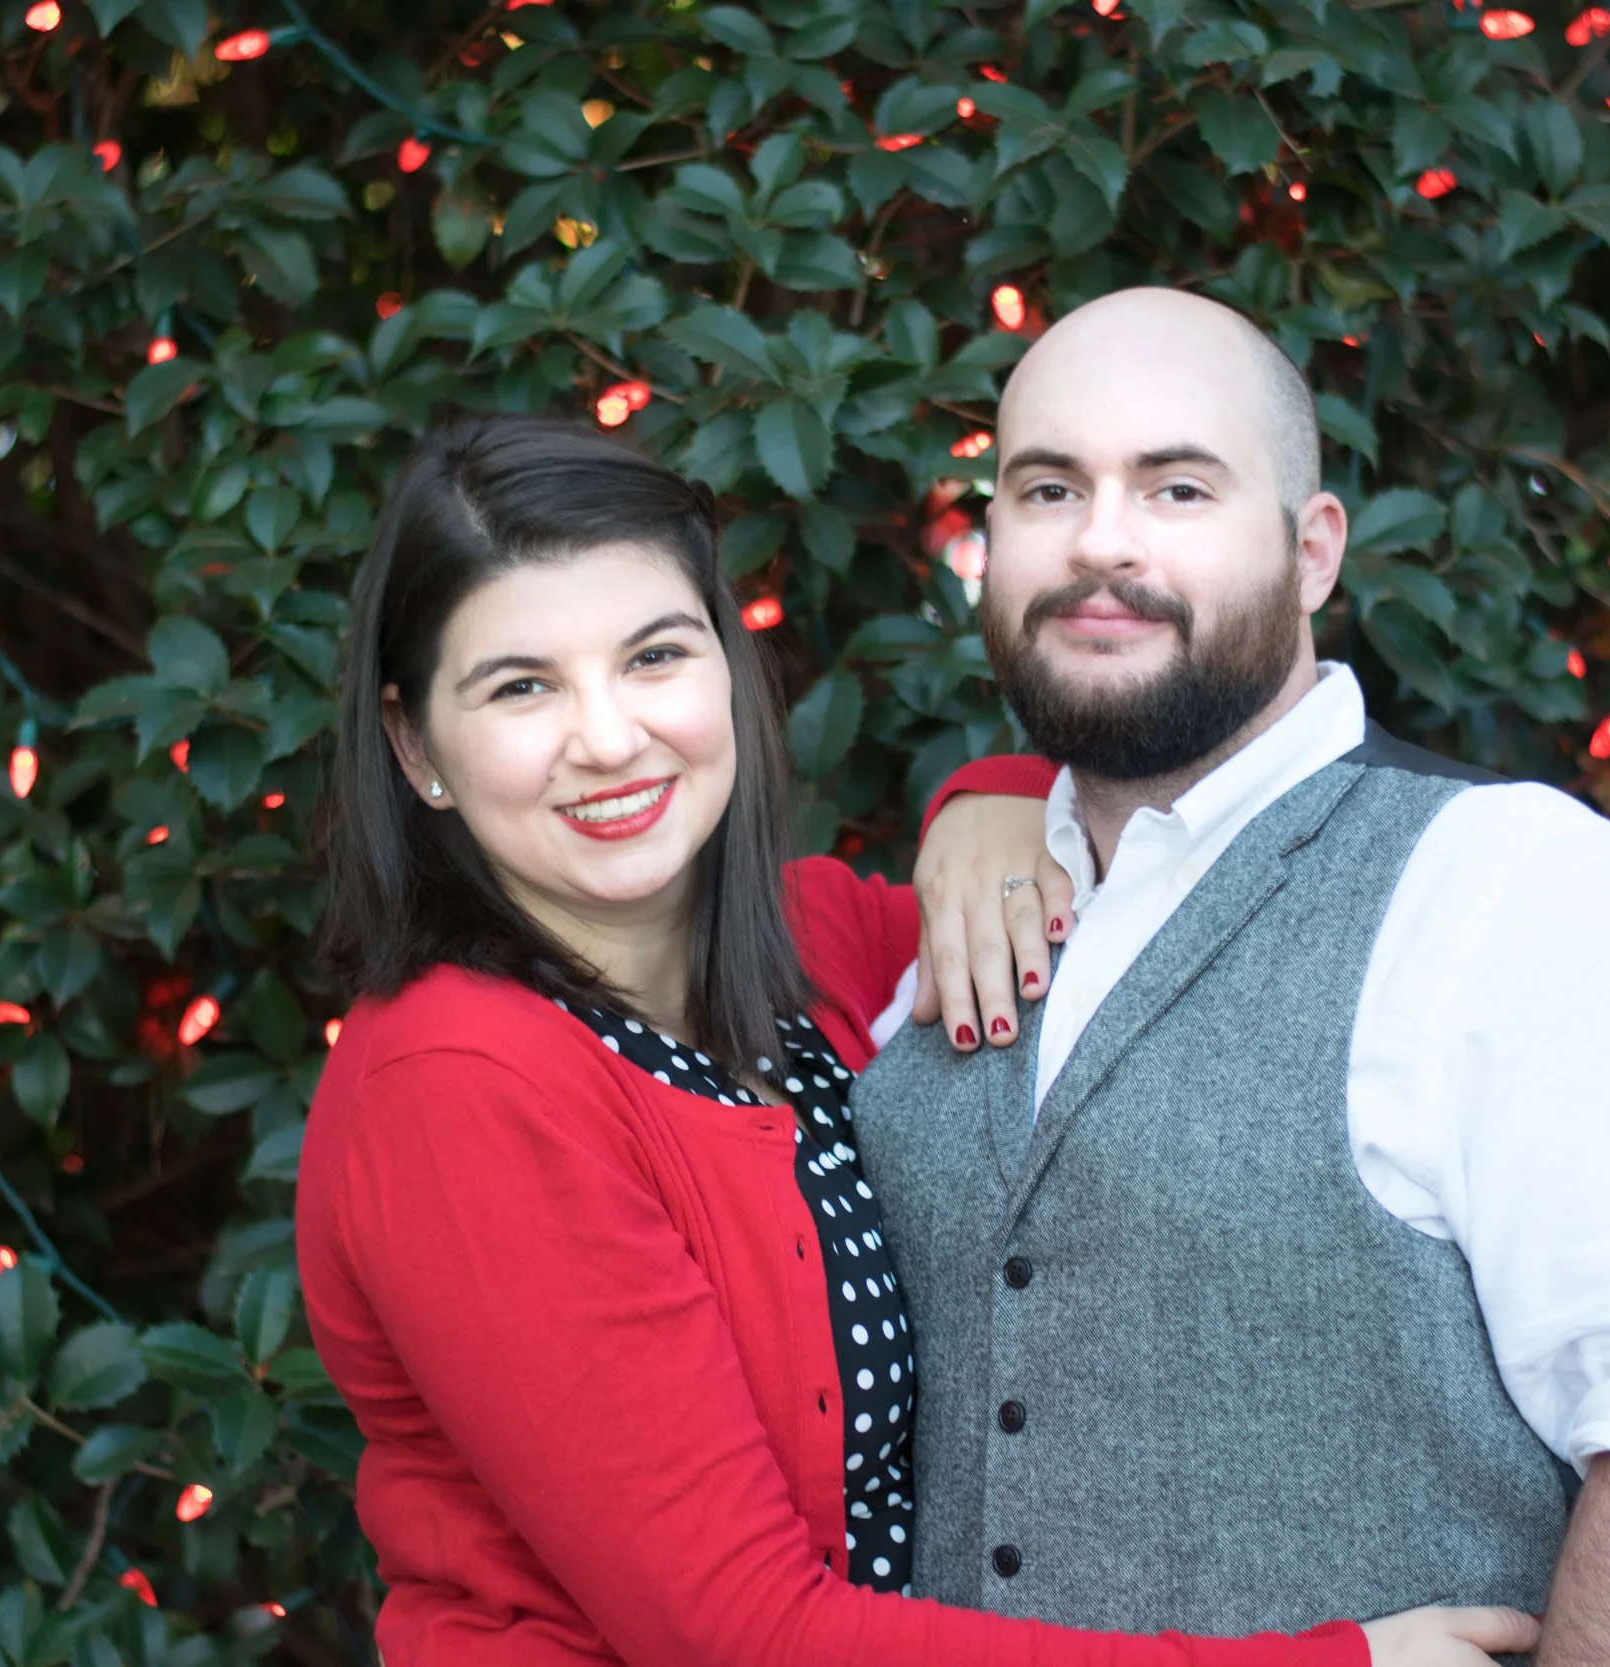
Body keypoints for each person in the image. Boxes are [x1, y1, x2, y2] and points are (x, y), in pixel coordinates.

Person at [294, 414, 1538, 1666]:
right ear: (416, 744)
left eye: (654, 656)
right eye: (522, 686)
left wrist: (998, 803)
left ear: (725, 663)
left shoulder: (823, 944)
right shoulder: (456, 1085)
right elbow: (737, 1630)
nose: (609, 736)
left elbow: (1108, 888)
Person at [852, 287, 1610, 1667]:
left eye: (1178, 486)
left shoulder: (1522, 888)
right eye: (1048, 488)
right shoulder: (945, 921)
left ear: (1313, 550)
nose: (1101, 541)